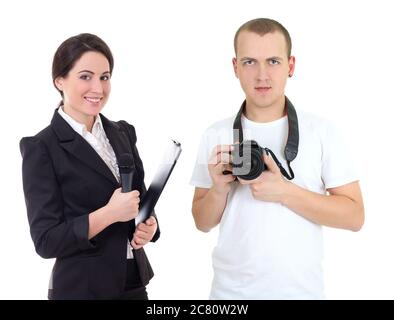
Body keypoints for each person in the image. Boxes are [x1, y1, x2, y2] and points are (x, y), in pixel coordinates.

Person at [190, 18, 364, 299]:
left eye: (273, 61)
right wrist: (219, 189)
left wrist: (285, 192)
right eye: (249, 62)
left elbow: (355, 216)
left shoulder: (322, 131)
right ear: (235, 67)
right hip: (229, 296)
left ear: (290, 65)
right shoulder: (216, 134)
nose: (262, 75)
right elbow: (202, 221)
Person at [20, 33, 159, 300]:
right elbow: (46, 240)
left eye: (104, 77)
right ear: (59, 80)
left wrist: (149, 225)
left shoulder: (122, 132)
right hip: (82, 289)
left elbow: (137, 200)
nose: (98, 88)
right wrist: (108, 213)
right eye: (85, 76)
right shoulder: (42, 147)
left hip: (134, 283)